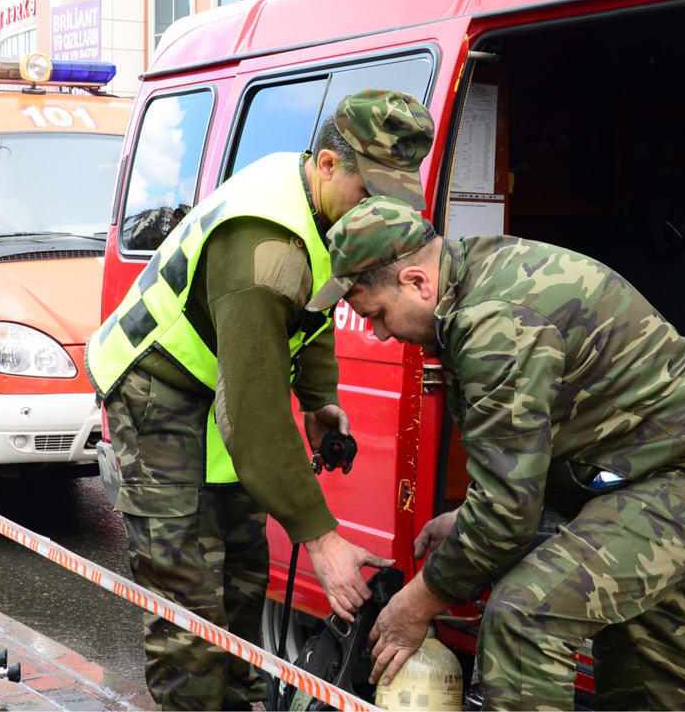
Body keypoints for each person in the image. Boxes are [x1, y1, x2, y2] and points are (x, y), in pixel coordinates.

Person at [305, 196, 685, 710]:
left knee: (523, 618)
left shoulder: (495, 322)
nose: (380, 333)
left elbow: (507, 515)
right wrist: (469, 515)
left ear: (418, 282)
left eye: (379, 315)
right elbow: (519, 451)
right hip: (643, 473)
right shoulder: (472, 279)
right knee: (643, 683)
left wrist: (415, 605)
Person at [85, 89, 434, 710]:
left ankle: (242, 701)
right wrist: (321, 538)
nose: (379, 211)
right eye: (370, 192)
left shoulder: (324, 210)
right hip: (157, 386)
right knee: (189, 598)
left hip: (218, 382)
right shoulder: (264, 250)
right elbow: (252, 412)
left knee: (243, 575)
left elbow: (316, 307)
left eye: (394, 197)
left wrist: (318, 399)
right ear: (328, 164)